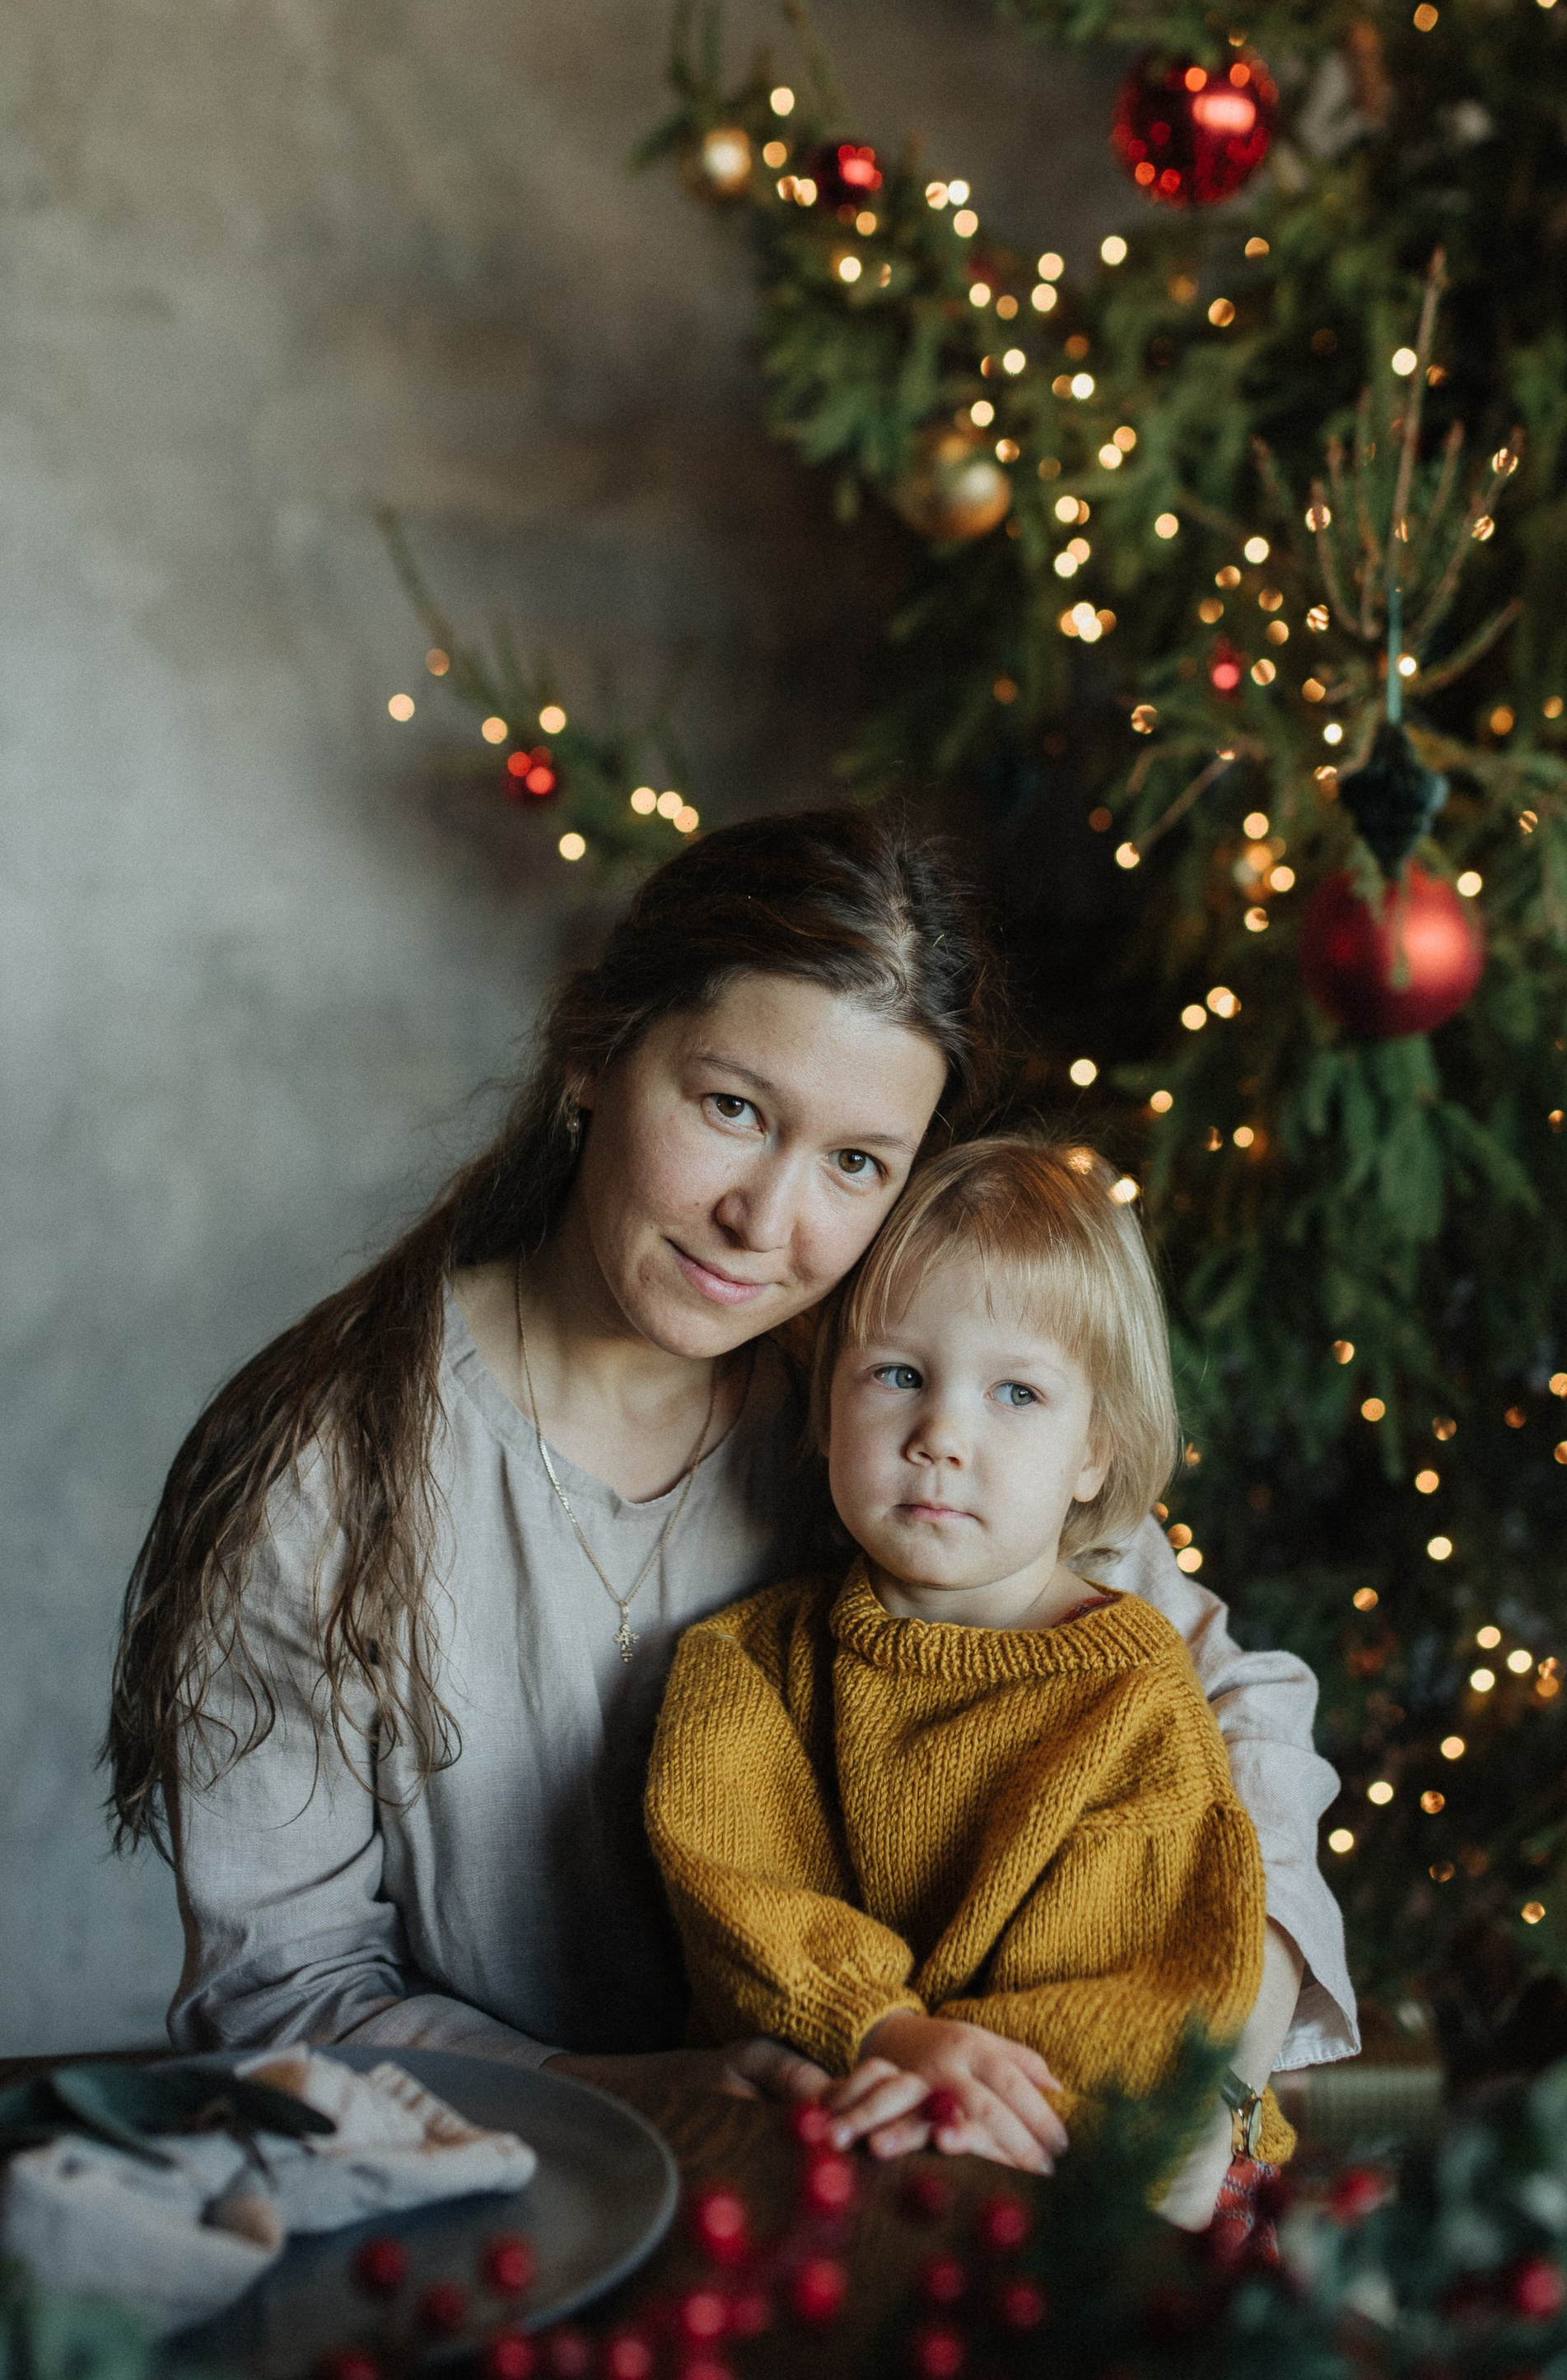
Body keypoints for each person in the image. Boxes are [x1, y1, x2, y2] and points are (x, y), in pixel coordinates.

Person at [106, 808, 1354, 2177]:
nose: (767, 1221)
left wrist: (1208, 2050)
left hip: (910, 2183)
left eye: (856, 1164)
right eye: (732, 1110)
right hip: (515, 2193)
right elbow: (277, 1996)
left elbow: (1222, 1688)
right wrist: (643, 2090)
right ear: (594, 1054)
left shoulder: (887, 1402)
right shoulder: (320, 1480)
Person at [645, 1134, 1289, 2205]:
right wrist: (889, 2033)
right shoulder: (746, 1667)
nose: (941, 1433)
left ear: (1096, 1451)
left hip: (1062, 2161)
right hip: (838, 2119)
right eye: (898, 1375)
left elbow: (1152, 1987)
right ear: (829, 1408)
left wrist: (966, 2099)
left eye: (1017, 1395)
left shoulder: (1132, 1698)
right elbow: (740, 1901)